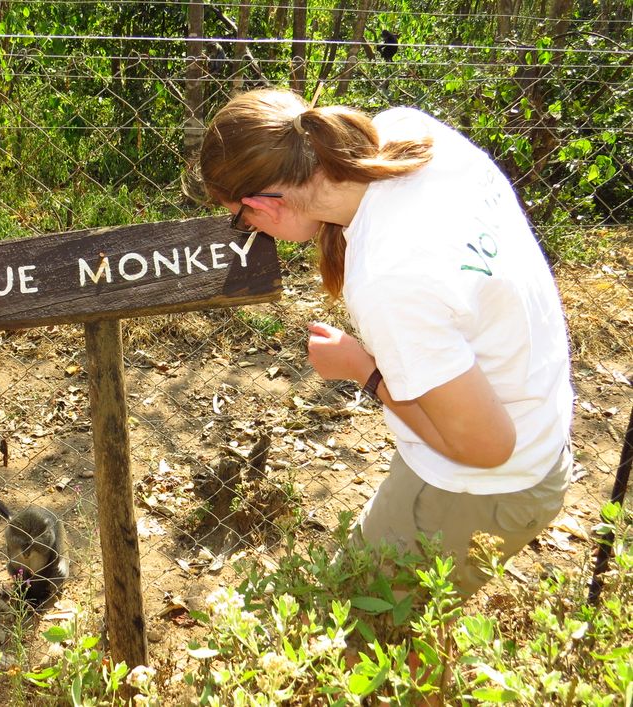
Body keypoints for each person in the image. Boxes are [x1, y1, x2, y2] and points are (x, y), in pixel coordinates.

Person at [198, 88, 573, 596]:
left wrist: (364, 370)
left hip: (488, 482)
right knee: (411, 631)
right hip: (539, 419)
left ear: (264, 204)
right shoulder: (405, 130)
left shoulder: (388, 278)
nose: (246, 229)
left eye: (242, 219)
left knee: (360, 637)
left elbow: (487, 448)